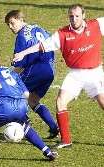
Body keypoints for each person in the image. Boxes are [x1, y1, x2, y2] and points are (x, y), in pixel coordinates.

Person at [13, 4, 104, 148]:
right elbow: (41, 45)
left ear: (83, 16)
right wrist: (23, 53)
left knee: (102, 102)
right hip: (75, 74)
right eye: (71, 16)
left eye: (77, 16)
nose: (74, 19)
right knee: (60, 101)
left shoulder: (97, 25)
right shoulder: (62, 34)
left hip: (94, 72)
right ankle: (66, 140)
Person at [4, 10, 59, 139]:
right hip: (50, 70)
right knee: (33, 100)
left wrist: (7, 78)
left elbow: (19, 65)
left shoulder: (22, 37)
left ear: (20, 19)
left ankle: (23, 125)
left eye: (12, 23)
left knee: (12, 92)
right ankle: (54, 127)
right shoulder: (38, 27)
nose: (11, 27)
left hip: (36, 69)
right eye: (8, 25)